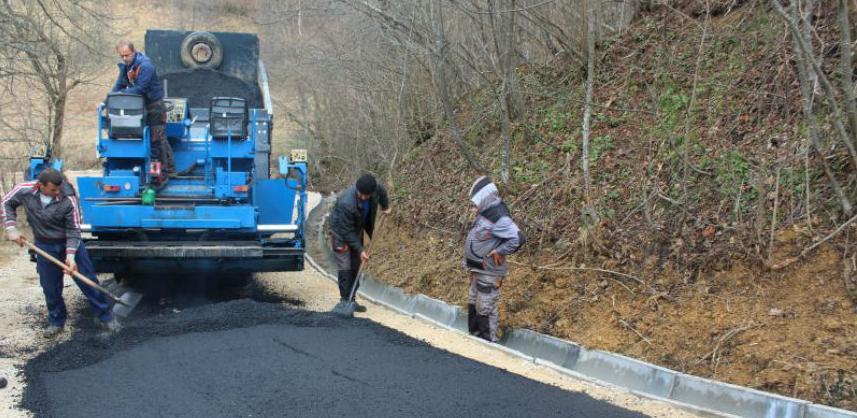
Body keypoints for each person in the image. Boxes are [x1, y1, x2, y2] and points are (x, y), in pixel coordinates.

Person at [2, 169, 119, 337]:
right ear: (40, 186)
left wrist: (71, 257)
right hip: (44, 245)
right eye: (53, 190)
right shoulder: (24, 190)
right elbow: (6, 202)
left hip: (69, 244)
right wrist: (11, 228)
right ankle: (56, 321)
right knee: (50, 287)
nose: (57, 192)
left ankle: (105, 317)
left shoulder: (68, 198)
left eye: (59, 188)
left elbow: (74, 230)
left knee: (87, 280)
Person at [464, 176, 522, 342]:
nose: (474, 203)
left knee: (485, 307)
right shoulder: (485, 213)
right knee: (474, 302)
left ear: (484, 196)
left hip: (489, 272)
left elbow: (518, 238)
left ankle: (488, 344)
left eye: (476, 199)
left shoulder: (500, 217)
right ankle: (474, 339)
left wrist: (500, 251)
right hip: (478, 270)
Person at [111, 41, 175, 185]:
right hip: (140, 107)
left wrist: (122, 94)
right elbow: (119, 84)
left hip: (155, 107)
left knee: (156, 141)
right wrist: (109, 99)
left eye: (127, 55)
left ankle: (163, 174)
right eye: (122, 56)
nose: (124, 58)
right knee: (151, 140)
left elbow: (141, 88)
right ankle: (163, 170)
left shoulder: (146, 66)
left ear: (133, 52)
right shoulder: (127, 67)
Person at [329, 174, 391, 311]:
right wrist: (360, 249)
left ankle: (352, 300)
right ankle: (344, 302)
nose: (363, 197)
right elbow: (346, 231)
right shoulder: (346, 202)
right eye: (361, 195)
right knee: (345, 267)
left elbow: (382, 193)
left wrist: (385, 207)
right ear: (357, 189)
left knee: (356, 265)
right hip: (341, 233)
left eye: (366, 195)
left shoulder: (375, 189)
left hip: (356, 230)